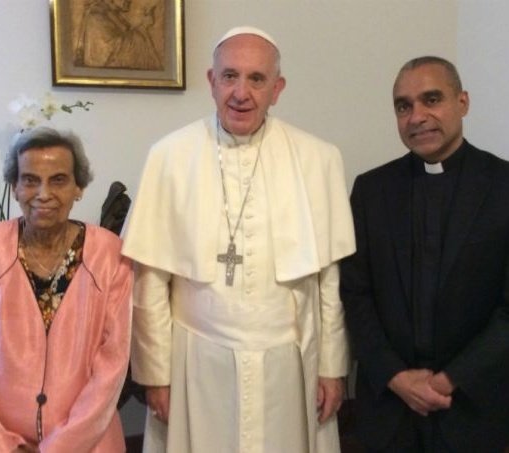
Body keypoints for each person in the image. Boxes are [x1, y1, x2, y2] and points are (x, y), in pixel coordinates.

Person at [122, 26, 356, 453]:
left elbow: (328, 281)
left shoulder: (318, 158)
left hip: (289, 362)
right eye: (230, 76)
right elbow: (151, 278)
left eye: (257, 79)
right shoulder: (169, 155)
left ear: (277, 89)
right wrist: (156, 374)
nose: (241, 93)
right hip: (197, 359)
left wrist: (332, 367)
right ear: (212, 81)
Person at [340, 56, 509, 452]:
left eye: (432, 99)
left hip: (474, 409)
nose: (417, 116)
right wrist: (396, 377)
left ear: (462, 102)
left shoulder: (503, 187)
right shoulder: (371, 191)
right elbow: (354, 294)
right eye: (403, 106)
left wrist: (450, 380)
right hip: (389, 412)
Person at [0, 127, 133, 452]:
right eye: (30, 180)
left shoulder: (111, 255)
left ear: (78, 187)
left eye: (58, 180)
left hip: (88, 443)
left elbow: (112, 368)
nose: (43, 193)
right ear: (14, 187)